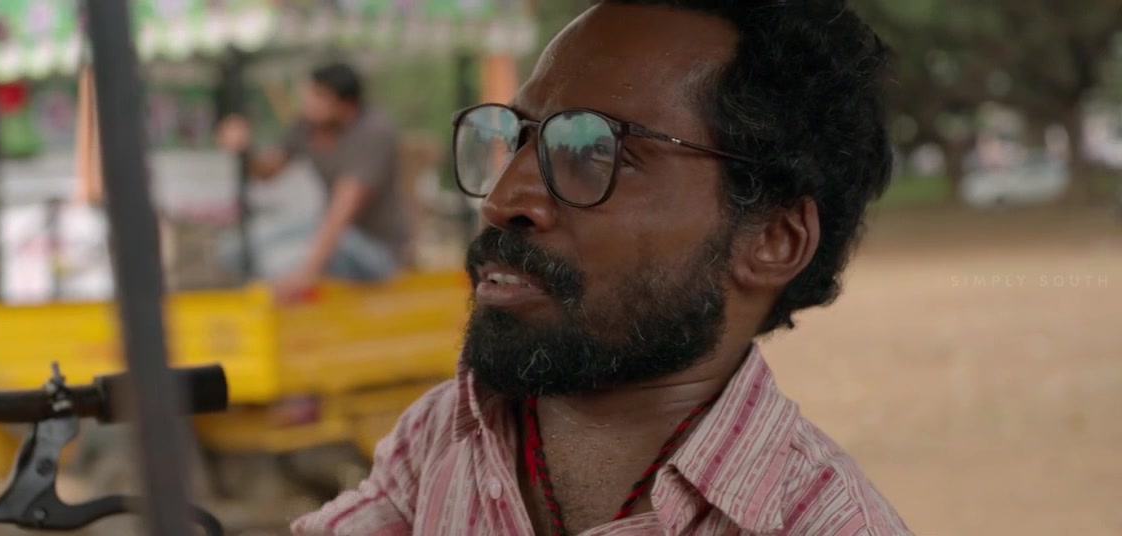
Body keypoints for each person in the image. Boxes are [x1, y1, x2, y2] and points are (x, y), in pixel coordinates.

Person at [293, 1, 911, 535]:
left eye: (593, 151)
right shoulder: (448, 435)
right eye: (517, 139)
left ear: (773, 240)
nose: (502, 201)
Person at [217, 62, 408, 302]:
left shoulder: (373, 132)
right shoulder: (308, 126)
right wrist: (244, 149)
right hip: (330, 229)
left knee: (278, 263)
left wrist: (305, 273)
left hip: (377, 250)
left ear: (346, 104)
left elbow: (343, 209)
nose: (308, 103)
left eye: (318, 97)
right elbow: (268, 171)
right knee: (234, 249)